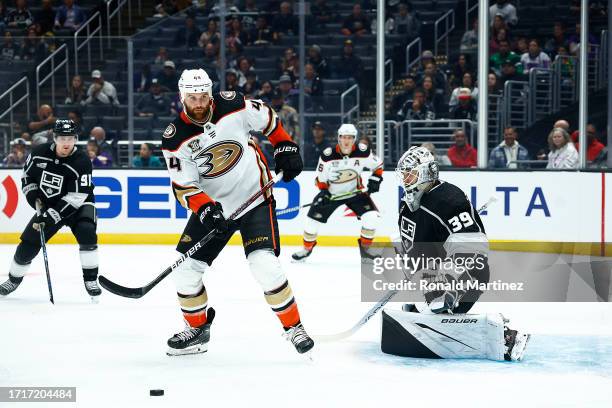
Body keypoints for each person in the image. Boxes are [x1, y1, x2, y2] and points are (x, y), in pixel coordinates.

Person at [160, 68, 313, 356]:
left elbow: (267, 117)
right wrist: (206, 210)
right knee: (185, 270)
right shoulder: (175, 138)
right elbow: (184, 187)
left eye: (203, 95)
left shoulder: (233, 104)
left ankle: (294, 328)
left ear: (210, 93)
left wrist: (284, 145)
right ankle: (197, 331)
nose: (199, 102)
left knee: (263, 264)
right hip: (216, 207)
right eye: (192, 97)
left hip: (255, 198)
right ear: (182, 96)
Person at [388, 146, 530, 361]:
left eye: (411, 172)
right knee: (423, 312)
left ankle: (505, 336)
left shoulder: (450, 200)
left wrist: (450, 284)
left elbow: (474, 249)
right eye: (404, 173)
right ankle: (441, 316)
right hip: (433, 274)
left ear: (426, 172)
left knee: (437, 311)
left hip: (468, 272)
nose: (406, 178)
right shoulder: (408, 202)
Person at [0, 119, 101, 300]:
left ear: (76, 139)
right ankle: (13, 280)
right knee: (29, 242)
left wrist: (51, 216)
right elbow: (27, 175)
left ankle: (91, 279)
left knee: (87, 231)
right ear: (55, 138)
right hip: (49, 204)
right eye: (62, 138)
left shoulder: (82, 161)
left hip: (80, 204)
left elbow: (77, 196)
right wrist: (31, 194)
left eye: (70, 138)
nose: (66, 143)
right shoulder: (39, 153)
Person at [292, 123, 383, 262]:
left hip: (355, 193)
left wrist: (375, 179)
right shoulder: (328, 155)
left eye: (350, 138)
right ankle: (306, 249)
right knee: (311, 221)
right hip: (331, 194)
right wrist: (324, 192)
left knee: (372, 217)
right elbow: (320, 178)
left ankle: (365, 249)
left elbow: (378, 165)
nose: (346, 141)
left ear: (355, 139)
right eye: (343, 137)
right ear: (339, 138)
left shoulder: (363, 151)